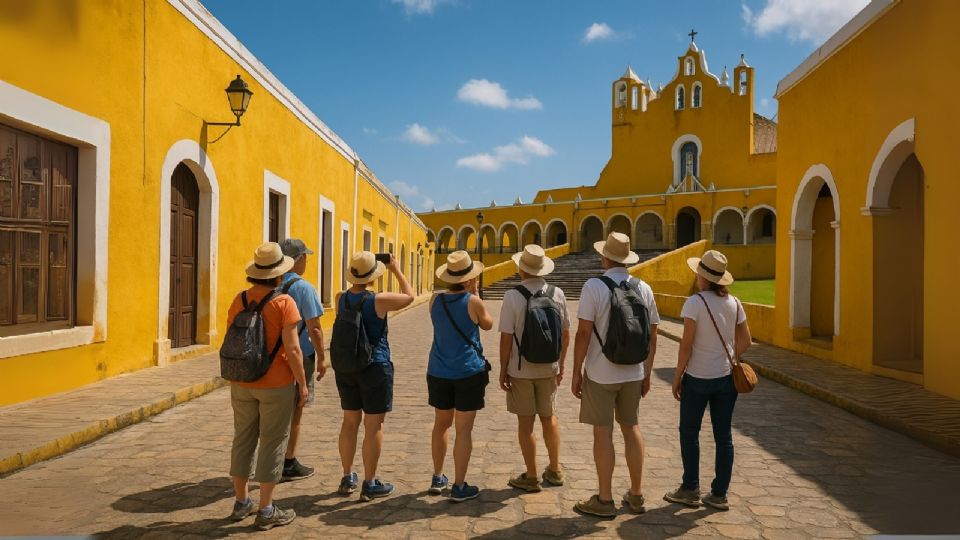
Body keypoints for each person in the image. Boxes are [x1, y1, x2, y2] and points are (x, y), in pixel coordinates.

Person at [571, 232, 659, 518]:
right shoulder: (644, 287)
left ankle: (605, 499)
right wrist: (647, 372)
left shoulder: (594, 286)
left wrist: (575, 371)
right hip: (634, 370)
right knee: (631, 428)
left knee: (603, 432)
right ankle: (636, 495)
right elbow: (652, 334)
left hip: (600, 371)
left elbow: (584, 333)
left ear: (605, 257)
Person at [226, 242, 308, 530]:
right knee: (273, 441)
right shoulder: (284, 302)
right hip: (276, 384)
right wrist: (302, 381)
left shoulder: (239, 300)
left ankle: (241, 502)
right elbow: (294, 349)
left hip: (242, 380)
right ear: (278, 275)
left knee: (243, 438)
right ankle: (266, 509)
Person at [664, 250, 751, 511]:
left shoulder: (695, 303)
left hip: (698, 378)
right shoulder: (734, 302)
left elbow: (686, 344)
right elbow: (745, 340)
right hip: (725, 379)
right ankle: (719, 494)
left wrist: (677, 375)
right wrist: (729, 356)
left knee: (689, 433)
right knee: (723, 436)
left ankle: (690, 488)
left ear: (703, 276)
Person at [334, 251, 415, 502]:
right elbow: (410, 296)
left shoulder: (340, 299)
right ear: (372, 276)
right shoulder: (378, 300)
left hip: (347, 367)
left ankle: (348, 476)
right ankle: (369, 482)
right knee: (373, 425)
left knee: (349, 422)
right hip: (374, 367)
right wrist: (397, 270)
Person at [498, 245, 570, 493]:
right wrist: (560, 364)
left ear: (521, 269)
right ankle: (555, 468)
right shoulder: (557, 293)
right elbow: (565, 333)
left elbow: (506, 338)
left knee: (525, 424)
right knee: (549, 419)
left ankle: (531, 475)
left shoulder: (512, 296)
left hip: (521, 369)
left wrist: (503, 368)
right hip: (549, 368)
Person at [427, 250, 494, 502]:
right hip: (467, 372)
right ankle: (458, 485)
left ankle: (437, 476)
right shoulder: (472, 301)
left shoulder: (434, 300)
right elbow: (487, 324)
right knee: (463, 430)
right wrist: (474, 293)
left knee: (440, 424)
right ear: (469, 279)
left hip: (438, 371)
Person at [278, 238, 328, 482]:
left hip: (273, 357)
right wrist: (322, 357)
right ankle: (288, 461)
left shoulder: (270, 283)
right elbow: (315, 327)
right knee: (297, 408)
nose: (307, 260)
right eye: (305, 256)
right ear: (297, 260)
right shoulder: (303, 288)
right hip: (298, 356)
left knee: (273, 409)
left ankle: (269, 458)